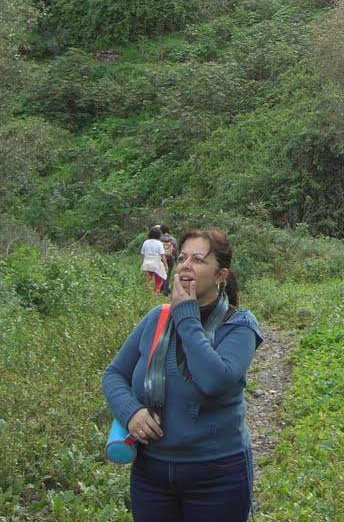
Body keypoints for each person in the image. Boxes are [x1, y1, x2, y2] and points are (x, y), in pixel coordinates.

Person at [103, 229, 262, 522]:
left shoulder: (239, 326)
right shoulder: (156, 319)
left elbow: (214, 380)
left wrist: (187, 316)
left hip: (217, 476)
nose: (186, 264)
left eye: (199, 259)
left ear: (220, 275)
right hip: (151, 475)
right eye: (183, 257)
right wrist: (130, 412)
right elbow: (114, 374)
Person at [140, 225, 168, 295]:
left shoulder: (146, 242)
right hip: (156, 264)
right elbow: (162, 255)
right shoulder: (159, 243)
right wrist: (166, 265)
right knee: (158, 280)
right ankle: (155, 294)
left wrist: (142, 264)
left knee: (147, 280)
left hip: (147, 264)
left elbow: (143, 254)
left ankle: (146, 294)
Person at [159, 224, 178, 296]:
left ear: (161, 231)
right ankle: (165, 292)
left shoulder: (159, 240)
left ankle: (160, 289)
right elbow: (176, 251)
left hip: (161, 259)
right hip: (170, 259)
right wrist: (177, 261)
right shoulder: (173, 239)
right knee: (168, 275)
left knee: (160, 274)